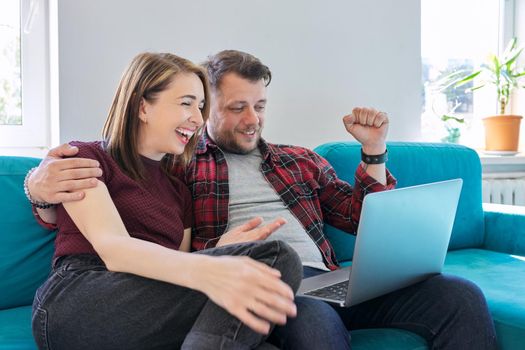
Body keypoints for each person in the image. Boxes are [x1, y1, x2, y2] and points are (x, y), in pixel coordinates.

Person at [27, 50, 498, 350]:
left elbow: (363, 219)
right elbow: (103, 233)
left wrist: (373, 152)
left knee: (457, 295)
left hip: (320, 278)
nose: (252, 119)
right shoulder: (182, 167)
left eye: (260, 106)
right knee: (278, 271)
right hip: (251, 284)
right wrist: (36, 185)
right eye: (234, 107)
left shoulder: (296, 161)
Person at [28, 52, 304, 350]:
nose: (198, 119)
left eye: (200, 107)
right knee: (276, 256)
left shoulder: (179, 190)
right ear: (142, 106)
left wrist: (220, 254)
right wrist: (214, 268)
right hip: (82, 297)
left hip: (146, 308)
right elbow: (114, 249)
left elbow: (174, 275)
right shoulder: (87, 158)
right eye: (186, 103)